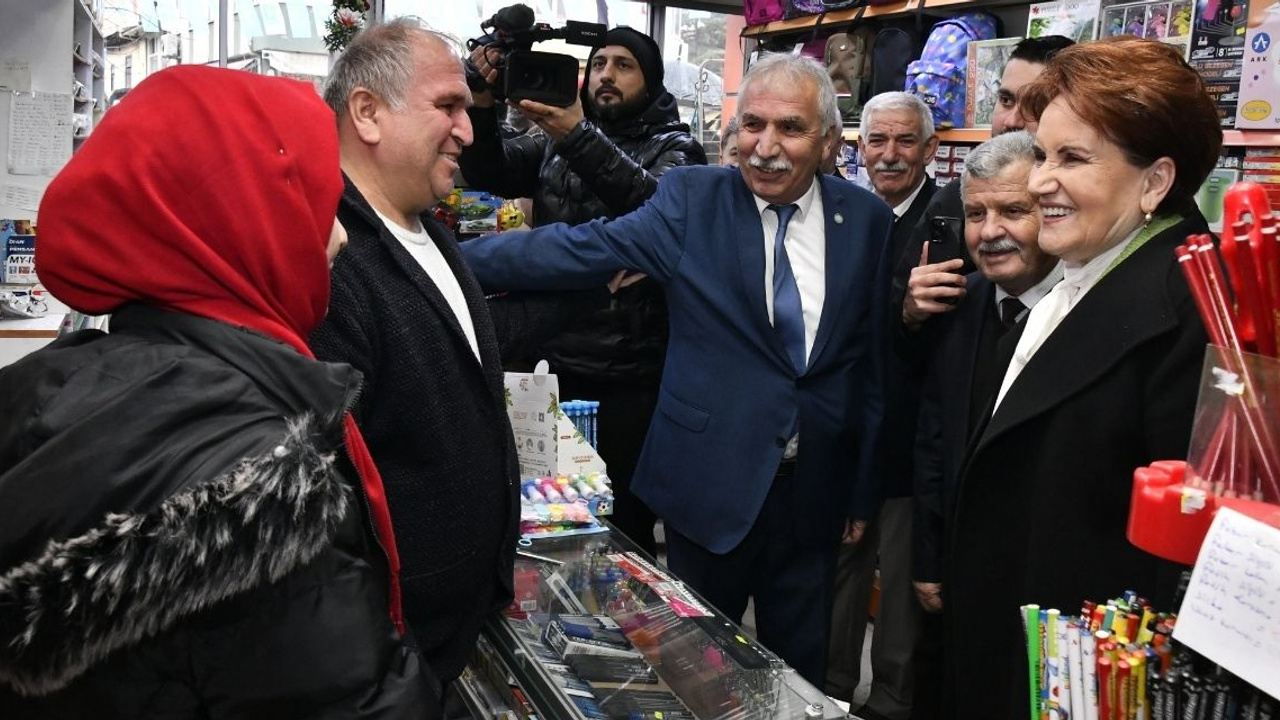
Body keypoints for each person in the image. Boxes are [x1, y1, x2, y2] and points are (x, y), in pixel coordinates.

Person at [0, 66, 435, 718]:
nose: (340, 235)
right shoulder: (266, 488)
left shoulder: (49, 384)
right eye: (315, 204)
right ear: (242, 223)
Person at [462, 53, 892, 685]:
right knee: (692, 667)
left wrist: (862, 488)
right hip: (707, 484)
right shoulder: (693, 198)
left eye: (790, 129)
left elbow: (867, 363)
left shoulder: (865, 220)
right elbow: (581, 248)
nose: (765, 147)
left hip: (814, 492)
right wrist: (443, 255)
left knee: (802, 668)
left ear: (829, 141)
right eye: (752, 125)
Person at [945, 36, 1220, 717]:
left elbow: (1171, 564)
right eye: (1041, 153)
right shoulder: (1086, 274)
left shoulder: (1190, 312)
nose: (1039, 182)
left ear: (1154, 181)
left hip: (1075, 681)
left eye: (1072, 159)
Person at [311, 20, 578, 703]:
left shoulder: (426, 226)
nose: (468, 130)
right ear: (367, 112)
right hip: (392, 652)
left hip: (452, 628)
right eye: (448, 107)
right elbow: (326, 504)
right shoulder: (332, 261)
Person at [463, 26, 706, 555]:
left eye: (623, 65)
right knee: (546, 511)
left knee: (622, 526)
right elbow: (490, 171)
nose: (606, 76)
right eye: (598, 64)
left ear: (651, 80)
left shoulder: (678, 147)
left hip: (629, 376)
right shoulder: (559, 138)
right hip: (552, 361)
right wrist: (481, 105)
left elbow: (652, 207)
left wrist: (575, 134)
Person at [906, 132, 1061, 720]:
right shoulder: (959, 300)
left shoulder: (1078, 313)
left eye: (1013, 210)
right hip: (952, 580)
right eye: (976, 213)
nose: (990, 231)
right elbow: (934, 440)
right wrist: (925, 560)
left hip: (1034, 591)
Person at [825, 91, 937, 719]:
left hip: (911, 431)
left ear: (930, 147)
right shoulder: (847, 214)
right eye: (877, 141)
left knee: (898, 579)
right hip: (848, 429)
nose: (889, 156)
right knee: (842, 564)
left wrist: (909, 312)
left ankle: (891, 700)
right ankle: (831, 686)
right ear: (857, 147)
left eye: (903, 142)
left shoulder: (951, 216)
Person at [902, 35, 1075, 328]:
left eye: (1035, 104)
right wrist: (909, 313)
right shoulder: (950, 200)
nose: (1011, 121)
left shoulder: (1085, 209)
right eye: (1005, 100)